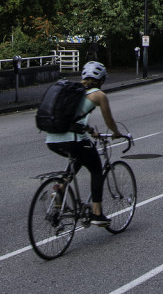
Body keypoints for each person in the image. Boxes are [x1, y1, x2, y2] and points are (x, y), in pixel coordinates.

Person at [44, 61, 127, 227]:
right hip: (73, 140)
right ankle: (97, 213)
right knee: (96, 168)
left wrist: (90, 131)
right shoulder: (99, 95)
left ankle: (61, 188)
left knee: (79, 157)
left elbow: (73, 118)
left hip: (52, 139)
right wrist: (116, 132)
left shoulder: (72, 90)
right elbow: (109, 121)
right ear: (102, 79)